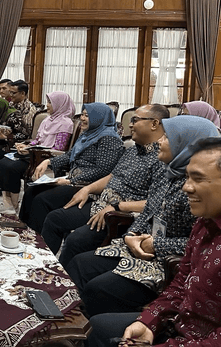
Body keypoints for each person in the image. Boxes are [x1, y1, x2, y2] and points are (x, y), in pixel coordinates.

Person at [66, 116, 220, 318]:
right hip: (139, 247)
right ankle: (66, 316)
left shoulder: (201, 193)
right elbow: (147, 212)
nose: (159, 141)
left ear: (186, 143)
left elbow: (199, 244)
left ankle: (90, 322)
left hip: (163, 263)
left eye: (166, 137)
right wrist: (131, 235)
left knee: (98, 288)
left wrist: (155, 245)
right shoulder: (167, 173)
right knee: (80, 263)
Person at [87, 137, 221, 347]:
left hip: (199, 340)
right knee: (98, 328)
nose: (186, 187)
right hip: (180, 324)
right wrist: (149, 322)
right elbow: (181, 282)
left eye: (198, 179)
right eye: (187, 177)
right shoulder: (204, 223)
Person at [41, 104, 169, 267]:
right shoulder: (133, 150)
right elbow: (112, 176)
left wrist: (117, 207)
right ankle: (42, 266)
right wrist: (87, 189)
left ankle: (62, 278)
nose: (130, 125)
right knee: (54, 219)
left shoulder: (163, 157)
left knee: (75, 241)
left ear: (154, 124)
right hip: (102, 203)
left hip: (121, 216)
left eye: (135, 120)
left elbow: (157, 203)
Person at [20, 102, 124, 233]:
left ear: (98, 118)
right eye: (82, 115)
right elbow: (70, 155)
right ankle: (22, 231)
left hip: (88, 186)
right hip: (72, 179)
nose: (82, 118)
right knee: (31, 191)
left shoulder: (109, 139)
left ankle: (37, 238)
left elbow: (102, 171)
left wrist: (71, 181)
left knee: (42, 200)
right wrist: (48, 161)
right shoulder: (87, 134)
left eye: (87, 116)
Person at [0, 91, 75, 214]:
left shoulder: (66, 123)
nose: (47, 105)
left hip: (43, 158)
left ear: (59, 104)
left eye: (50, 102)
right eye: (47, 102)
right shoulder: (47, 120)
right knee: (2, 162)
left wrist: (32, 150)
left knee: (12, 167)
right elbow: (37, 140)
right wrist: (26, 146)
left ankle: (13, 205)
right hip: (33, 154)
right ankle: (8, 202)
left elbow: (59, 148)